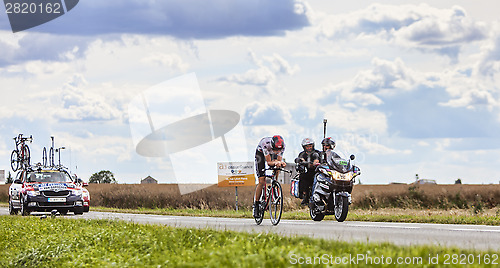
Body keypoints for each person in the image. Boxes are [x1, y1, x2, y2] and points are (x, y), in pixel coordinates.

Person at [253, 135, 286, 218]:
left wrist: (280, 163)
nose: (277, 151)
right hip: (260, 154)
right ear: (272, 145)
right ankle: (256, 205)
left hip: (270, 153)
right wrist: (275, 162)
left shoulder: (282, 146)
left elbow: (278, 160)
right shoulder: (265, 144)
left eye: (279, 150)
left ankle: (274, 183)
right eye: (276, 149)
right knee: (261, 180)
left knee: (278, 166)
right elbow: (268, 162)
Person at [295, 138, 320, 205]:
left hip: (317, 172)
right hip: (307, 172)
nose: (309, 148)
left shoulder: (317, 153)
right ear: (304, 147)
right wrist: (301, 161)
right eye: (307, 146)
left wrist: (314, 163)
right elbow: (300, 160)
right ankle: (304, 195)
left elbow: (316, 161)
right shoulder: (302, 154)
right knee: (302, 176)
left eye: (310, 146)